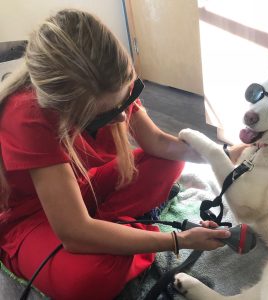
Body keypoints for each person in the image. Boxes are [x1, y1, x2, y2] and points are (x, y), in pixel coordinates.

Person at [0, 9, 240, 300]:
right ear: (64, 108)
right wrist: (177, 240)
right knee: (89, 278)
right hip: (34, 218)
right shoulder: (27, 114)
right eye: (103, 116)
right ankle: (121, 230)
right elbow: (73, 231)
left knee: (168, 161)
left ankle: (113, 230)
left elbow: (159, 144)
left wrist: (226, 155)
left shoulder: (110, 78)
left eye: (127, 98)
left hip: (84, 189)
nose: (123, 117)